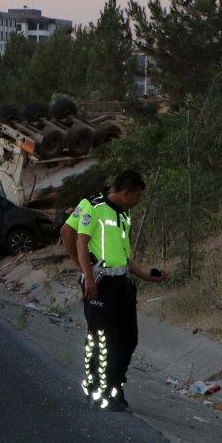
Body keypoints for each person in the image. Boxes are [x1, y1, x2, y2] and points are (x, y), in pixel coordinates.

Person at [75, 170, 168, 412]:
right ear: (125, 193)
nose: (139, 201)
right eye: (137, 196)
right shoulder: (94, 207)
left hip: (121, 283)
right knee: (101, 338)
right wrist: (88, 278)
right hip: (100, 282)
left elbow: (124, 257)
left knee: (128, 337)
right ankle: (98, 388)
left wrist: (147, 276)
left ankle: (115, 383)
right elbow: (80, 242)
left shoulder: (124, 214)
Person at [62, 187, 107, 399]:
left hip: (112, 278)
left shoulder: (118, 209)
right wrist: (82, 267)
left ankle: (102, 379)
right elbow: (67, 232)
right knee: (96, 331)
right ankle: (93, 378)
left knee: (102, 331)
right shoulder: (92, 204)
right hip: (94, 276)